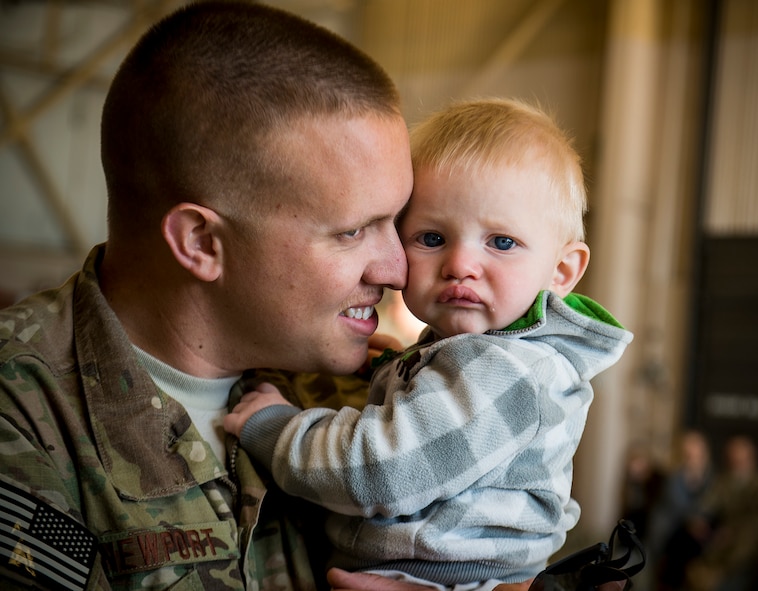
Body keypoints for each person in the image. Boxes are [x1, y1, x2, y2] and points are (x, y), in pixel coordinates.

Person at [0, 3, 505, 590]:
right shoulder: (25, 418)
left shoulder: (377, 395)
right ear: (202, 242)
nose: (398, 270)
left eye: (398, 222)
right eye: (352, 231)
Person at [224, 98, 635, 590]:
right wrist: (391, 372)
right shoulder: (471, 354)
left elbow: (379, 471)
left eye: (501, 242)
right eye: (432, 238)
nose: (460, 264)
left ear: (562, 270)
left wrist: (273, 427)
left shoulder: (509, 371)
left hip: (437, 579)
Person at [684, 435, 758, 591]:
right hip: (722, 543)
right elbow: (708, 502)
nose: (737, 463)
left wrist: (732, 531)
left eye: (741, 459)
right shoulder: (724, 481)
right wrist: (698, 518)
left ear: (751, 458)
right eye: (733, 459)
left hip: (751, 543)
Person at [647, 430, 714, 591]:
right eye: (688, 454)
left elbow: (712, 504)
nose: (693, 458)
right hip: (672, 531)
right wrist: (694, 522)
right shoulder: (675, 477)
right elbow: (677, 506)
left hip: (701, 533)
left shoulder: (712, 477)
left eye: (696, 453)